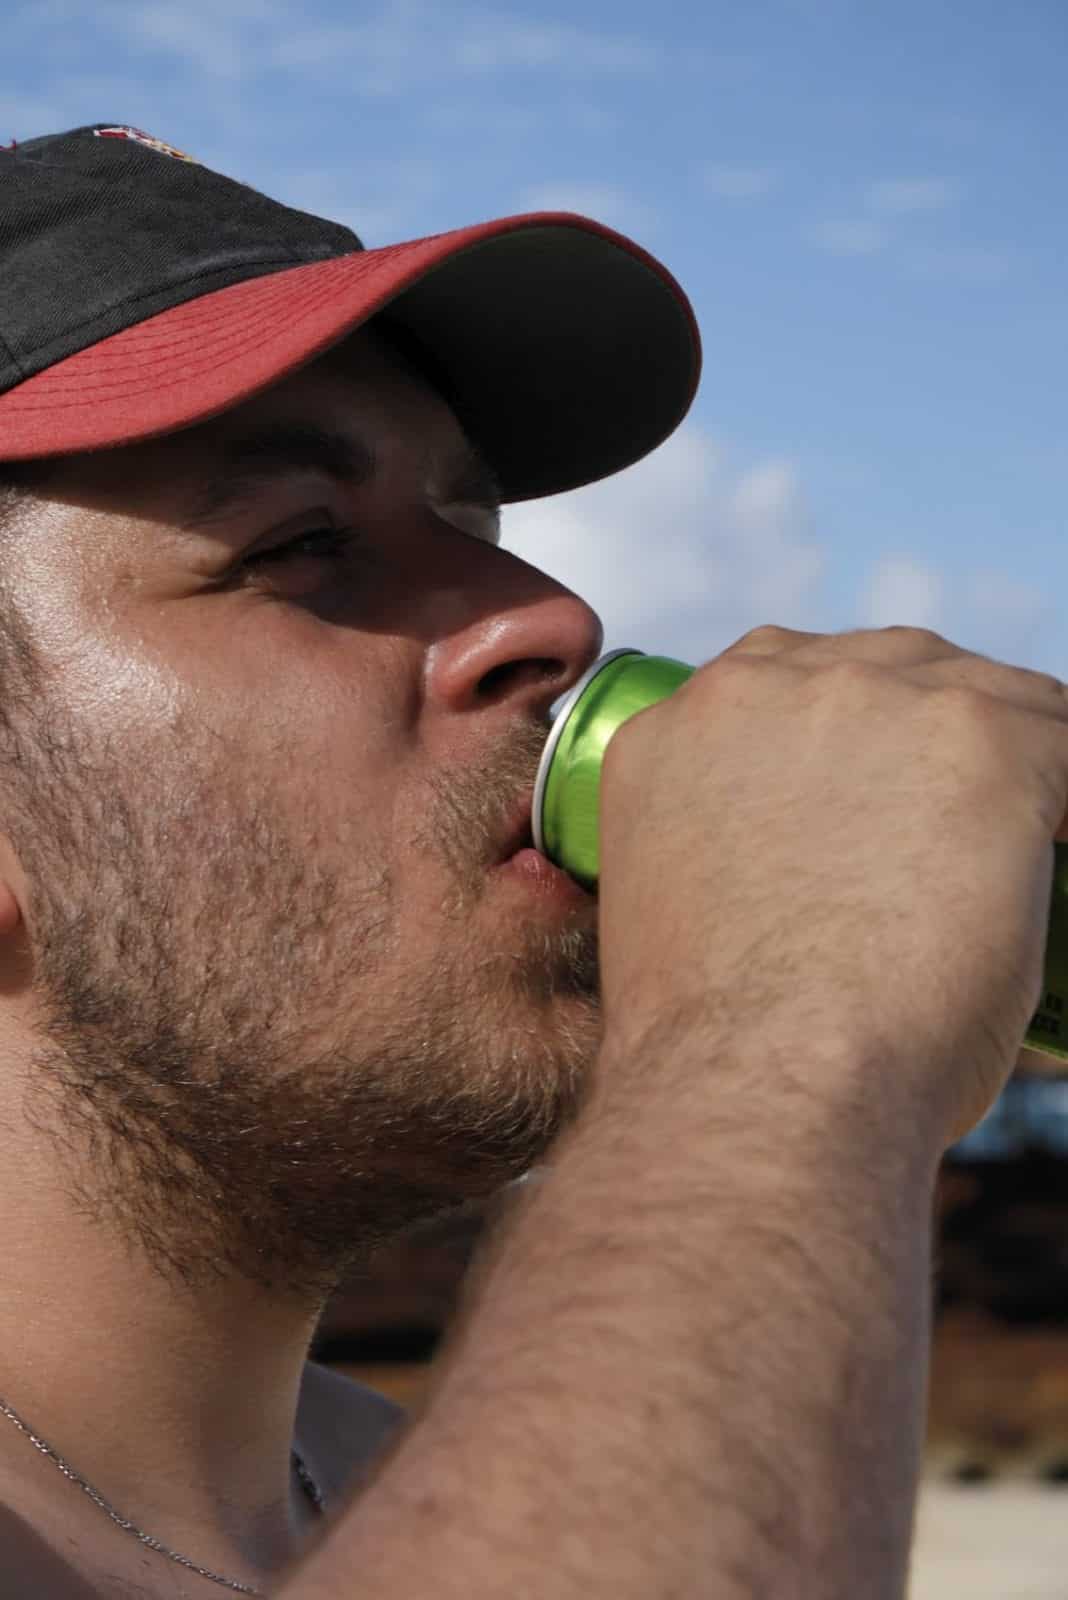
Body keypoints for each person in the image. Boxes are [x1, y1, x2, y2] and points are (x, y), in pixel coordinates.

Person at [0, 123, 1063, 1600]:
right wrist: (789, 1032)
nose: (550, 610)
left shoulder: (415, 1492)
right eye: (299, 540)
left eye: (471, 519)